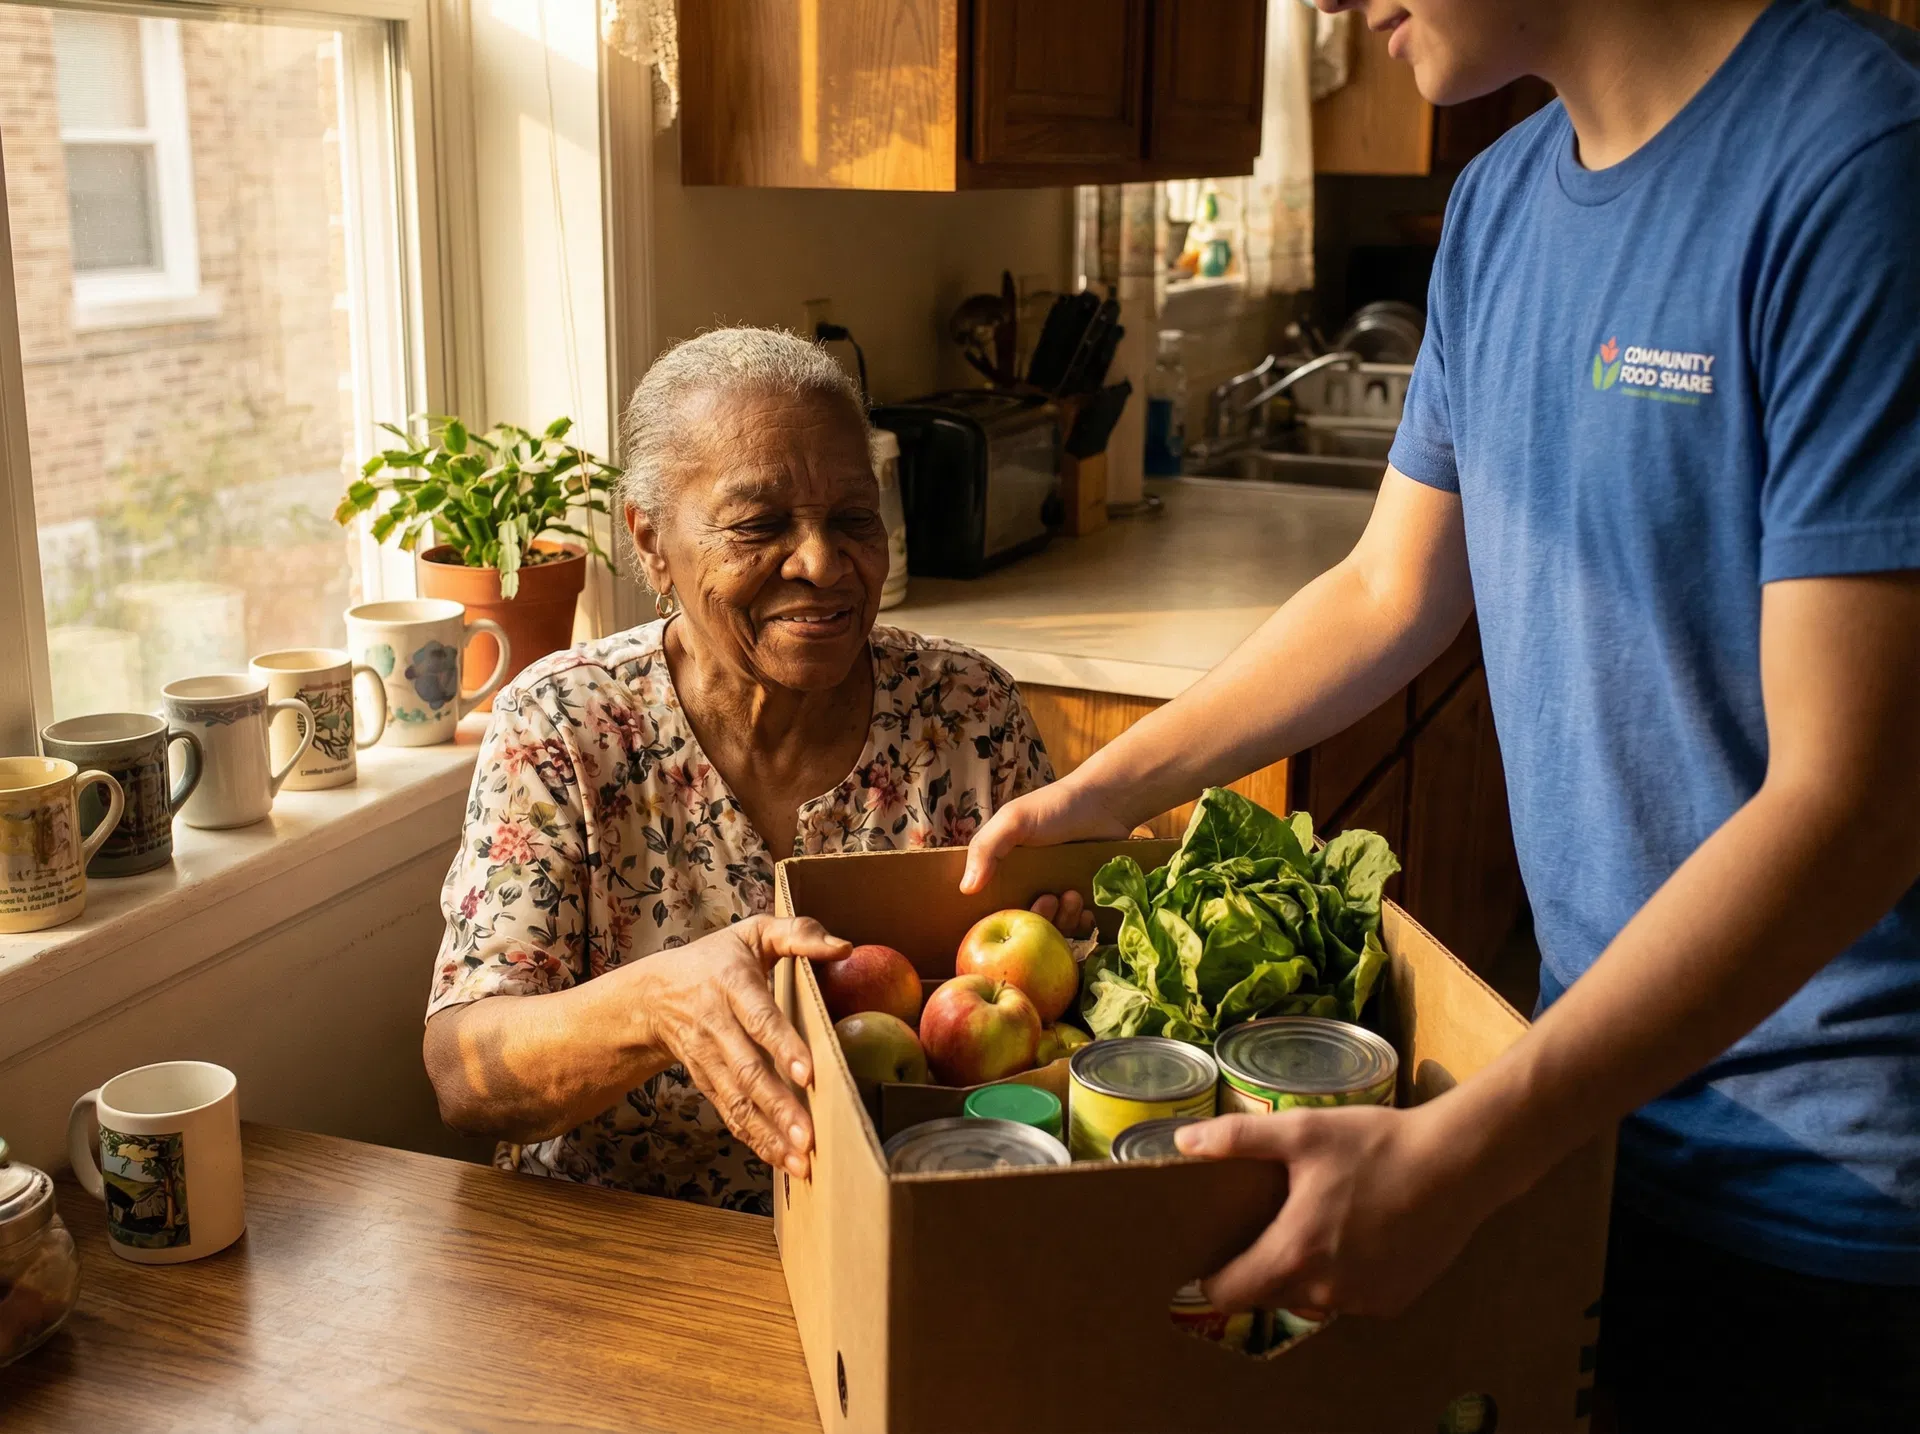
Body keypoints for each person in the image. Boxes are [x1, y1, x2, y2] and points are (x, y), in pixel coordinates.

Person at [964, 1, 1920, 1425]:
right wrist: (1101, 792)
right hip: (1592, 1110)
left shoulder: (1860, 167)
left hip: (1830, 1194)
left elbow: (1855, 805)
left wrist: (1472, 1150)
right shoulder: (1497, 203)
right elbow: (1388, 590)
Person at [422, 327, 1082, 1214]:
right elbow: (464, 1077)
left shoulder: (967, 713)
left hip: (901, 1228)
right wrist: (654, 1006)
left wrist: (1076, 951)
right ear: (651, 543)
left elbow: (1058, 1006)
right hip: (628, 1239)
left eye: (854, 518)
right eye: (759, 526)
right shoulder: (564, 727)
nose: (822, 563)